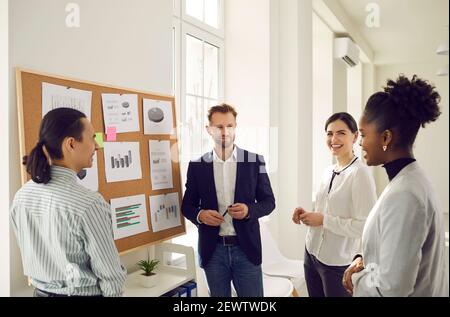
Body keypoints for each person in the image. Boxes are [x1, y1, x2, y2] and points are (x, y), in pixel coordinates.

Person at [342, 75, 449, 297]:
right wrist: (364, 260)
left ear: (386, 137)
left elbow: (392, 289)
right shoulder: (410, 181)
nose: (360, 142)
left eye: (363, 134)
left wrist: (357, 278)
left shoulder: (405, 195)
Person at [11, 108, 127, 297]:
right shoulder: (89, 204)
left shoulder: (22, 195)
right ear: (71, 144)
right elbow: (111, 277)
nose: (97, 146)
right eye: (92, 138)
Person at [181, 103, 275, 297]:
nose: (225, 131)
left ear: (235, 127)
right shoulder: (197, 166)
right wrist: (201, 215)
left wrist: (249, 210)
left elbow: (269, 202)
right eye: (219, 127)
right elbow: (187, 206)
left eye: (229, 126)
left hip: (246, 249)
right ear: (208, 130)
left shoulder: (255, 161)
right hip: (212, 251)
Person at [292, 112, 377, 297]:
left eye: (341, 133)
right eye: (329, 133)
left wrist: (323, 220)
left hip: (336, 263)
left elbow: (365, 227)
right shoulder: (328, 171)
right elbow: (325, 211)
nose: (334, 139)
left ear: (355, 136)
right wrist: (306, 215)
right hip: (311, 254)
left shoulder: (360, 174)